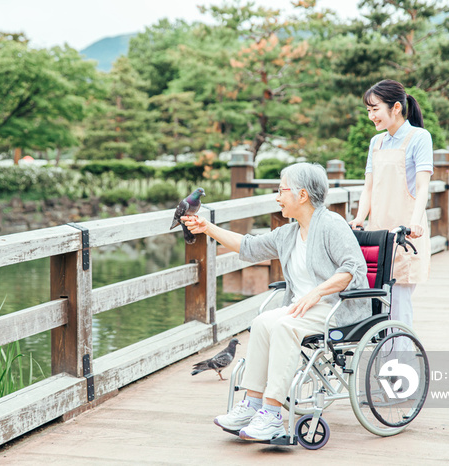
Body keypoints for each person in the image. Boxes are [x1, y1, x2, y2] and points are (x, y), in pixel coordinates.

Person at [182, 163, 369, 442]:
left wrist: (317, 292)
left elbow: (353, 268)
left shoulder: (332, 224)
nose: (277, 197)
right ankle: (253, 405)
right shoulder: (290, 233)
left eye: (281, 190)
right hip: (304, 309)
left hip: (337, 308)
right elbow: (248, 246)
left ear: (302, 195)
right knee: (261, 321)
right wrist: (207, 227)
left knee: (283, 325)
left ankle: (271, 416)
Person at [348, 79, 433, 348]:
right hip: (379, 233)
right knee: (381, 304)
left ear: (396, 107)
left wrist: (415, 222)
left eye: (375, 109)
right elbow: (369, 188)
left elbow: (422, 187)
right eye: (368, 111)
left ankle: (401, 369)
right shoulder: (376, 143)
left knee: (400, 304)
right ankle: (386, 360)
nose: (371, 116)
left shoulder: (419, 138)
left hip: (406, 232)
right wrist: (359, 218)